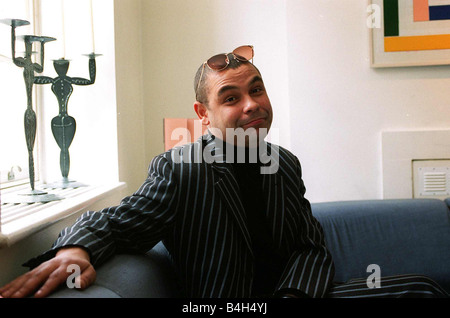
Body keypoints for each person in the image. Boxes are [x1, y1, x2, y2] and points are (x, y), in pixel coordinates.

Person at [0, 45, 448, 299]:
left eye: (256, 89)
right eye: (231, 98)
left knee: (422, 289)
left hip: (298, 298)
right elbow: (115, 222)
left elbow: (309, 248)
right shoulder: (182, 168)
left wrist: (294, 296)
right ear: (204, 113)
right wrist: (76, 250)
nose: (252, 104)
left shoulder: (284, 163)